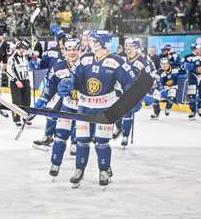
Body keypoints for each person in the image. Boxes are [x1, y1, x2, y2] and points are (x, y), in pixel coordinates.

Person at [67, 32, 136, 187]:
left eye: (91, 40)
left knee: (102, 142)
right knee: (82, 141)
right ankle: (79, 170)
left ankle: (103, 170)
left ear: (100, 42)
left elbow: (129, 82)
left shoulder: (116, 61)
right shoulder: (85, 58)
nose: (89, 42)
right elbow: (75, 78)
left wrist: (132, 98)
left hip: (105, 107)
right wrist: (70, 85)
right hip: (84, 106)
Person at [43, 37, 81, 177]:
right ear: (64, 50)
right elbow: (50, 86)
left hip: (84, 108)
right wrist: (42, 100)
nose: (71, 52)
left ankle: (99, 167)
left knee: (84, 140)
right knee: (60, 135)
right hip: (67, 106)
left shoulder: (86, 65)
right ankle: (55, 163)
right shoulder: (58, 66)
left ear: (80, 50)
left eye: (74, 49)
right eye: (68, 49)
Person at [30, 25, 67, 148]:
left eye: (63, 39)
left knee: (68, 115)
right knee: (50, 112)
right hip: (51, 86)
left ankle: (74, 141)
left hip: (67, 89)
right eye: (59, 39)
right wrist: (34, 61)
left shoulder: (72, 51)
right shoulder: (50, 52)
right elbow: (41, 67)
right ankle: (48, 136)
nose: (62, 45)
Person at [118, 37, 151, 146]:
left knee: (127, 112)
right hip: (119, 91)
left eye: (131, 46)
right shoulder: (122, 59)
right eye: (126, 46)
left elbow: (149, 79)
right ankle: (119, 128)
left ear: (137, 48)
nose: (128, 48)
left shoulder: (143, 62)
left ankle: (125, 135)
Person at [6, 39, 32, 127]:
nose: (24, 51)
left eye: (25, 49)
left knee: (27, 101)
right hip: (16, 82)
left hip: (25, 81)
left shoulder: (25, 57)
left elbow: (27, 69)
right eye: (23, 49)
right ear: (19, 48)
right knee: (17, 101)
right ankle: (16, 119)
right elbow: (8, 71)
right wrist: (16, 80)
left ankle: (25, 117)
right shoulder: (12, 59)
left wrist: (28, 80)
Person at [183, 43, 201, 119]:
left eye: (199, 49)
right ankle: (193, 111)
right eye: (197, 49)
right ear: (194, 49)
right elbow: (184, 65)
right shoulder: (188, 57)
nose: (198, 50)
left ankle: (199, 108)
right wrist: (192, 68)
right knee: (192, 96)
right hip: (193, 77)